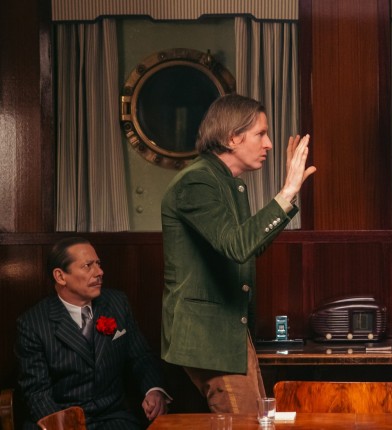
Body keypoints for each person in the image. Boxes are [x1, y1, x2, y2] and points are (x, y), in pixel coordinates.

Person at [161, 94, 316, 414]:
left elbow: (248, 246)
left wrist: (288, 198)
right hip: (208, 335)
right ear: (232, 138)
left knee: (257, 418)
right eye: (261, 134)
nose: (269, 144)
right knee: (245, 422)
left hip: (229, 330)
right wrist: (286, 192)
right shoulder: (197, 182)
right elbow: (237, 246)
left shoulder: (228, 183)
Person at [15, 237, 169, 430]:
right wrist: (65, 426)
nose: (99, 272)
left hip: (113, 417)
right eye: (88, 266)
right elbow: (37, 392)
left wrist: (154, 390)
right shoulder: (32, 323)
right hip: (59, 420)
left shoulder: (117, 303)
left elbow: (141, 356)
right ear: (60, 276)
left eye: (98, 264)